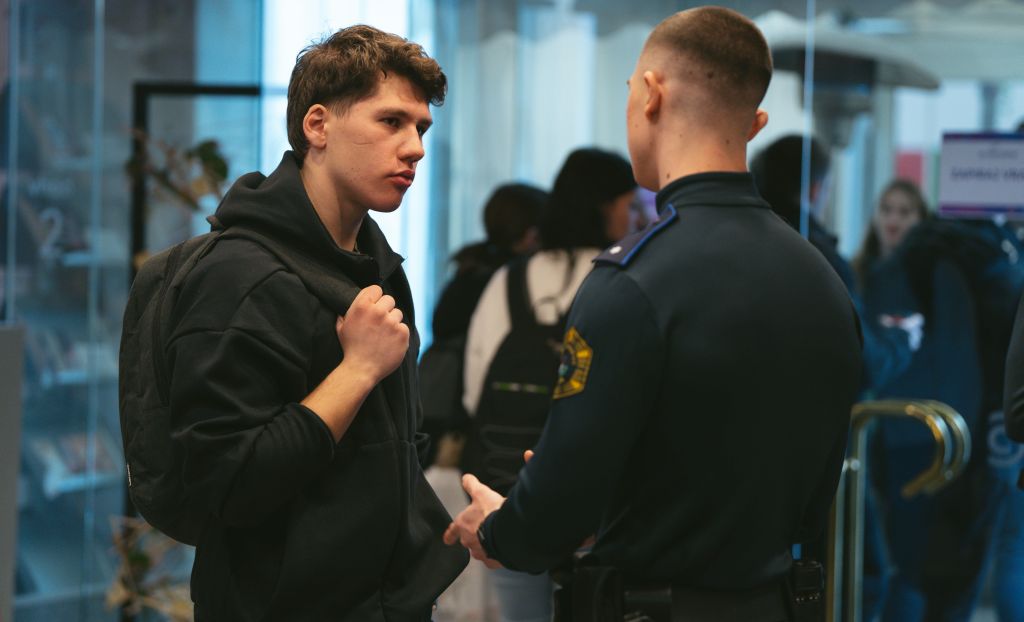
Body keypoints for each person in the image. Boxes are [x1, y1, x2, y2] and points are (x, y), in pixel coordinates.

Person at [444, 7, 863, 622]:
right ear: (756, 122)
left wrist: (507, 525)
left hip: (652, 605)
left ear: (649, 93)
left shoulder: (634, 281)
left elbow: (553, 517)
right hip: (774, 602)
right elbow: (808, 490)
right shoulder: (822, 279)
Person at [164, 25, 466, 621]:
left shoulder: (378, 270)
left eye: (421, 128)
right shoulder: (239, 275)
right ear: (318, 125)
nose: (415, 149)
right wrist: (356, 371)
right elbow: (226, 484)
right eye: (391, 122)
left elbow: (391, 451)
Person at [460, 147, 637, 622]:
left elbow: (474, 390)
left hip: (506, 487)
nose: (637, 215)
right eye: (629, 203)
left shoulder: (508, 280)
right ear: (606, 207)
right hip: (595, 501)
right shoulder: (623, 281)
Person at [852, 179, 996, 621]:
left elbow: (956, 355)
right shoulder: (871, 271)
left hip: (922, 433)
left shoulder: (925, 269)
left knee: (912, 559)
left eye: (905, 211)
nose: (894, 220)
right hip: (890, 432)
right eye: (887, 209)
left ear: (922, 218)